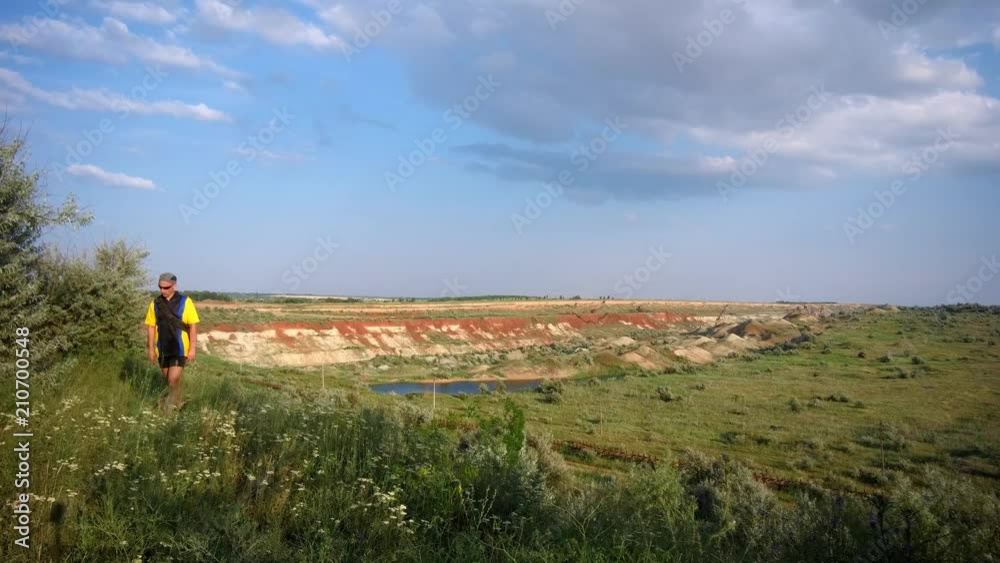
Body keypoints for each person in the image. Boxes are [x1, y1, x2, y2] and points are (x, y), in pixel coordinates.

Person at [144, 272, 200, 413]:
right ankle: (180, 404)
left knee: (172, 380)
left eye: (166, 287)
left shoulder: (185, 302)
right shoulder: (155, 304)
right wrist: (150, 349)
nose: (163, 291)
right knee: (169, 383)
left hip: (180, 348)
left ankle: (169, 411)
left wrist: (192, 349)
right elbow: (151, 326)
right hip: (162, 348)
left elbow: (193, 326)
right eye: (160, 287)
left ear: (174, 286)